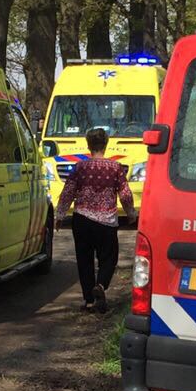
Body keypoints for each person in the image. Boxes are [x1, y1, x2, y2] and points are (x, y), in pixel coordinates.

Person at [55, 127, 135, 313]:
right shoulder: (115, 168)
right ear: (105, 144)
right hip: (106, 222)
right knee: (109, 257)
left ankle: (89, 301)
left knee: (84, 260)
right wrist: (130, 213)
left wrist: (60, 215)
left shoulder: (79, 167)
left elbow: (68, 192)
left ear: (88, 145)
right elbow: (125, 194)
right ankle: (101, 284)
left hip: (82, 219)